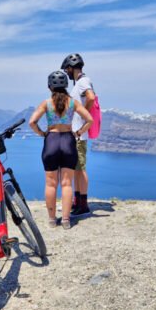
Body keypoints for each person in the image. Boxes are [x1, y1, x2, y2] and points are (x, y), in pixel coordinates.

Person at [29, 70, 93, 230]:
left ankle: (52, 219)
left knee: (51, 184)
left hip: (51, 141)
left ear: (49, 86)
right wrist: (78, 133)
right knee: (66, 184)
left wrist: (42, 133)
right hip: (68, 142)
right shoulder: (73, 103)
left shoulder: (46, 103)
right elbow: (89, 120)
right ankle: (65, 220)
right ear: (65, 85)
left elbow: (32, 122)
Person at [61, 53, 96, 218]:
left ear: (71, 67)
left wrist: (84, 115)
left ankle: (83, 204)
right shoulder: (79, 84)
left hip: (79, 135)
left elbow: (91, 97)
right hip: (75, 134)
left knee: (80, 169)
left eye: (67, 69)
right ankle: (77, 202)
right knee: (76, 169)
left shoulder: (83, 81)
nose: (66, 73)